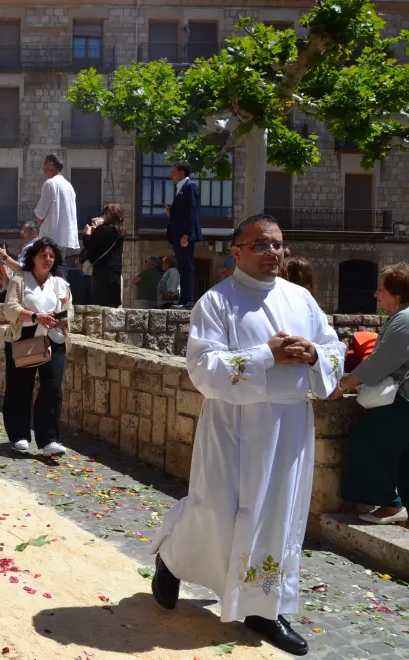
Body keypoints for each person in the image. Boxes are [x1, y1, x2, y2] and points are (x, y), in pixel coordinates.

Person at [149, 214, 345, 656]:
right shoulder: (217, 303)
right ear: (235, 251)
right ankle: (171, 557)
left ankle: (263, 608)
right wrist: (265, 356)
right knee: (214, 513)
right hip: (233, 427)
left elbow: (334, 349)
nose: (271, 252)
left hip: (288, 427)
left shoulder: (302, 299)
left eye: (277, 244)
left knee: (277, 516)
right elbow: (203, 369)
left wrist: (315, 354)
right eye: (260, 244)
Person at [336, 264, 409, 525]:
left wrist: (345, 384)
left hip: (402, 401)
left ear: (396, 294)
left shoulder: (404, 320)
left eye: (381, 289)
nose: (376, 295)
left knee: (369, 445)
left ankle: (391, 506)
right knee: (400, 457)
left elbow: (380, 362)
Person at [2, 237, 73, 456]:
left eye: (51, 256)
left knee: (52, 387)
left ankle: (48, 439)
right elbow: (10, 307)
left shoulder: (60, 283)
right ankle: (20, 435)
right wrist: (35, 316)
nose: (48, 259)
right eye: (44, 255)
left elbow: (70, 309)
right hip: (25, 336)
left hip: (54, 339)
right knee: (20, 386)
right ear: (33, 257)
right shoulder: (20, 280)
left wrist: (62, 318)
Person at [166, 163, 202, 308]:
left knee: (187, 267)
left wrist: (187, 234)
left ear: (182, 173)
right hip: (177, 235)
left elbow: (192, 212)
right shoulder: (180, 188)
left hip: (184, 236)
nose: (171, 175)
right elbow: (182, 211)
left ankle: (188, 300)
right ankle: (184, 299)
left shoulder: (190, 187)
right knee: (182, 267)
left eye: (173, 172)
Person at [82, 203, 125, 308]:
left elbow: (91, 248)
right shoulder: (120, 232)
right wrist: (98, 230)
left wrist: (87, 234)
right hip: (115, 275)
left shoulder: (102, 230)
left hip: (102, 275)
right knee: (112, 306)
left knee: (100, 306)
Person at [34, 155, 80, 253]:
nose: (44, 171)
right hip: (65, 238)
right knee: (60, 266)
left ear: (50, 166)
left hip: (51, 238)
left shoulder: (50, 184)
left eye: (44, 167)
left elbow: (40, 215)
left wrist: (39, 220)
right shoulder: (69, 186)